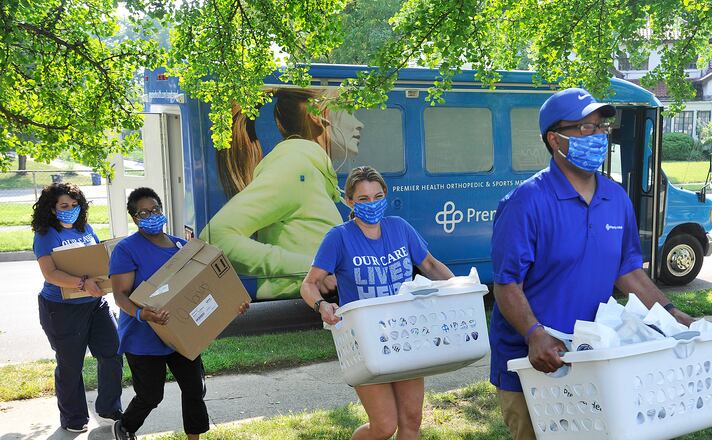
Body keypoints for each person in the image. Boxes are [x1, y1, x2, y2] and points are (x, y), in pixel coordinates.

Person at [488, 88, 695, 440]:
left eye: (601, 127)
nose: (598, 136)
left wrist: (673, 315)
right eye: (585, 128)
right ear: (555, 139)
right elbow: (507, 284)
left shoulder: (615, 198)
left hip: (592, 357)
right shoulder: (526, 202)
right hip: (534, 362)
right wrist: (535, 335)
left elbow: (628, 271)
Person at [301, 166, 454, 440]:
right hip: (364, 343)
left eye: (377, 196)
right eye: (363, 199)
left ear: (385, 195)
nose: (372, 204)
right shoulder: (339, 237)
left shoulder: (400, 228)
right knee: (384, 426)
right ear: (349, 201)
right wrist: (321, 305)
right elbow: (309, 284)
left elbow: (429, 264)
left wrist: (459, 288)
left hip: (406, 335)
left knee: (412, 420)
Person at [110, 187, 250, 440]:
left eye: (155, 209)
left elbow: (207, 288)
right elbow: (120, 295)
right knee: (151, 395)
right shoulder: (127, 249)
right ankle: (125, 426)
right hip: (143, 337)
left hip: (180, 333)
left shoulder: (182, 248)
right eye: (144, 213)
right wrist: (142, 314)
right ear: (135, 218)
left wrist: (233, 304)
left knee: (194, 388)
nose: (152, 215)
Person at [201, 88, 363, 300]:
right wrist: (312, 270)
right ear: (316, 116)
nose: (360, 124)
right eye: (348, 111)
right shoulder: (295, 167)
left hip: (309, 306)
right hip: (296, 310)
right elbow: (215, 237)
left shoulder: (313, 170)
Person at [32, 182, 123, 433]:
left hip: (95, 304)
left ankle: (109, 407)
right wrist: (82, 283)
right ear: (52, 208)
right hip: (61, 309)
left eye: (74, 205)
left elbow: (97, 260)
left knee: (113, 351)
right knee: (70, 365)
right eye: (64, 206)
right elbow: (50, 273)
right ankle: (74, 418)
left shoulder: (86, 228)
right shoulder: (46, 235)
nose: (70, 209)